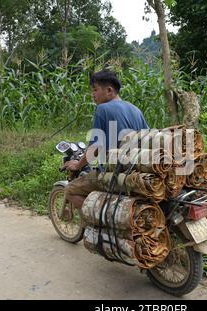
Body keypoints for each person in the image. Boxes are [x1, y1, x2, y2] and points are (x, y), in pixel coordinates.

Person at [62, 70, 149, 216]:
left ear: (109, 90)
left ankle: (98, 219)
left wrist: (78, 164)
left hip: (112, 173)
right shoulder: (135, 110)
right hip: (134, 171)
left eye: (95, 89)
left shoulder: (102, 109)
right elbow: (147, 138)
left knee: (70, 190)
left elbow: (96, 147)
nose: (93, 94)